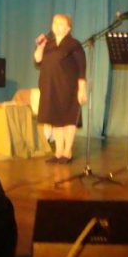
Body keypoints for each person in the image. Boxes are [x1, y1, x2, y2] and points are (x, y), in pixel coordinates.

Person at [34, 14, 87, 163]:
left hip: (68, 87)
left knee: (68, 119)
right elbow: (37, 59)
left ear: (68, 28)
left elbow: (82, 67)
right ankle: (58, 152)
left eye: (61, 23)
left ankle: (67, 151)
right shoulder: (48, 44)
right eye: (55, 22)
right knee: (55, 119)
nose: (57, 25)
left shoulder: (74, 44)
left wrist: (82, 88)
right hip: (49, 86)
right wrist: (40, 46)